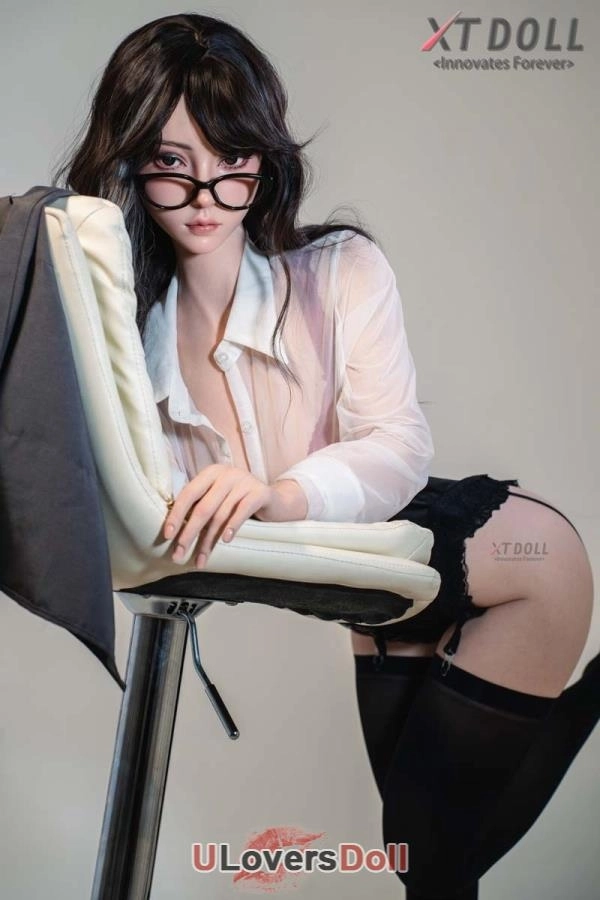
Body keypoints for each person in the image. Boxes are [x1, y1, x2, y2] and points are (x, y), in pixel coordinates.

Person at [53, 13, 599, 899]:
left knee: (428, 861)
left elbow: (399, 447)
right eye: (171, 162)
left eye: (232, 159)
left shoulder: (340, 269)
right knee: (423, 855)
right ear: (128, 159)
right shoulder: (125, 328)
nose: (205, 194)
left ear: (264, 160)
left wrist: (274, 492)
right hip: (368, 580)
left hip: (513, 566)